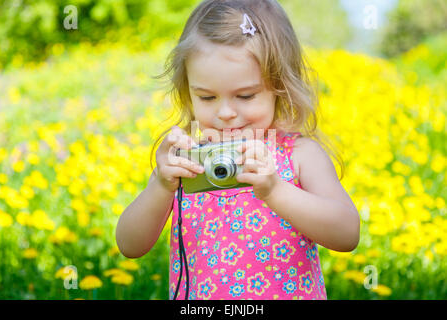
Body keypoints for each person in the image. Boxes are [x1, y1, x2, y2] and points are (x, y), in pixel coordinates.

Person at [116, 0, 360, 300]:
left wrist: (274, 191)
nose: (226, 112)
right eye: (207, 97)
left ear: (279, 87)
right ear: (188, 92)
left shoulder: (298, 155)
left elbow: (347, 233)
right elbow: (130, 245)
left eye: (245, 96)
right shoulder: (188, 160)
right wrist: (159, 186)